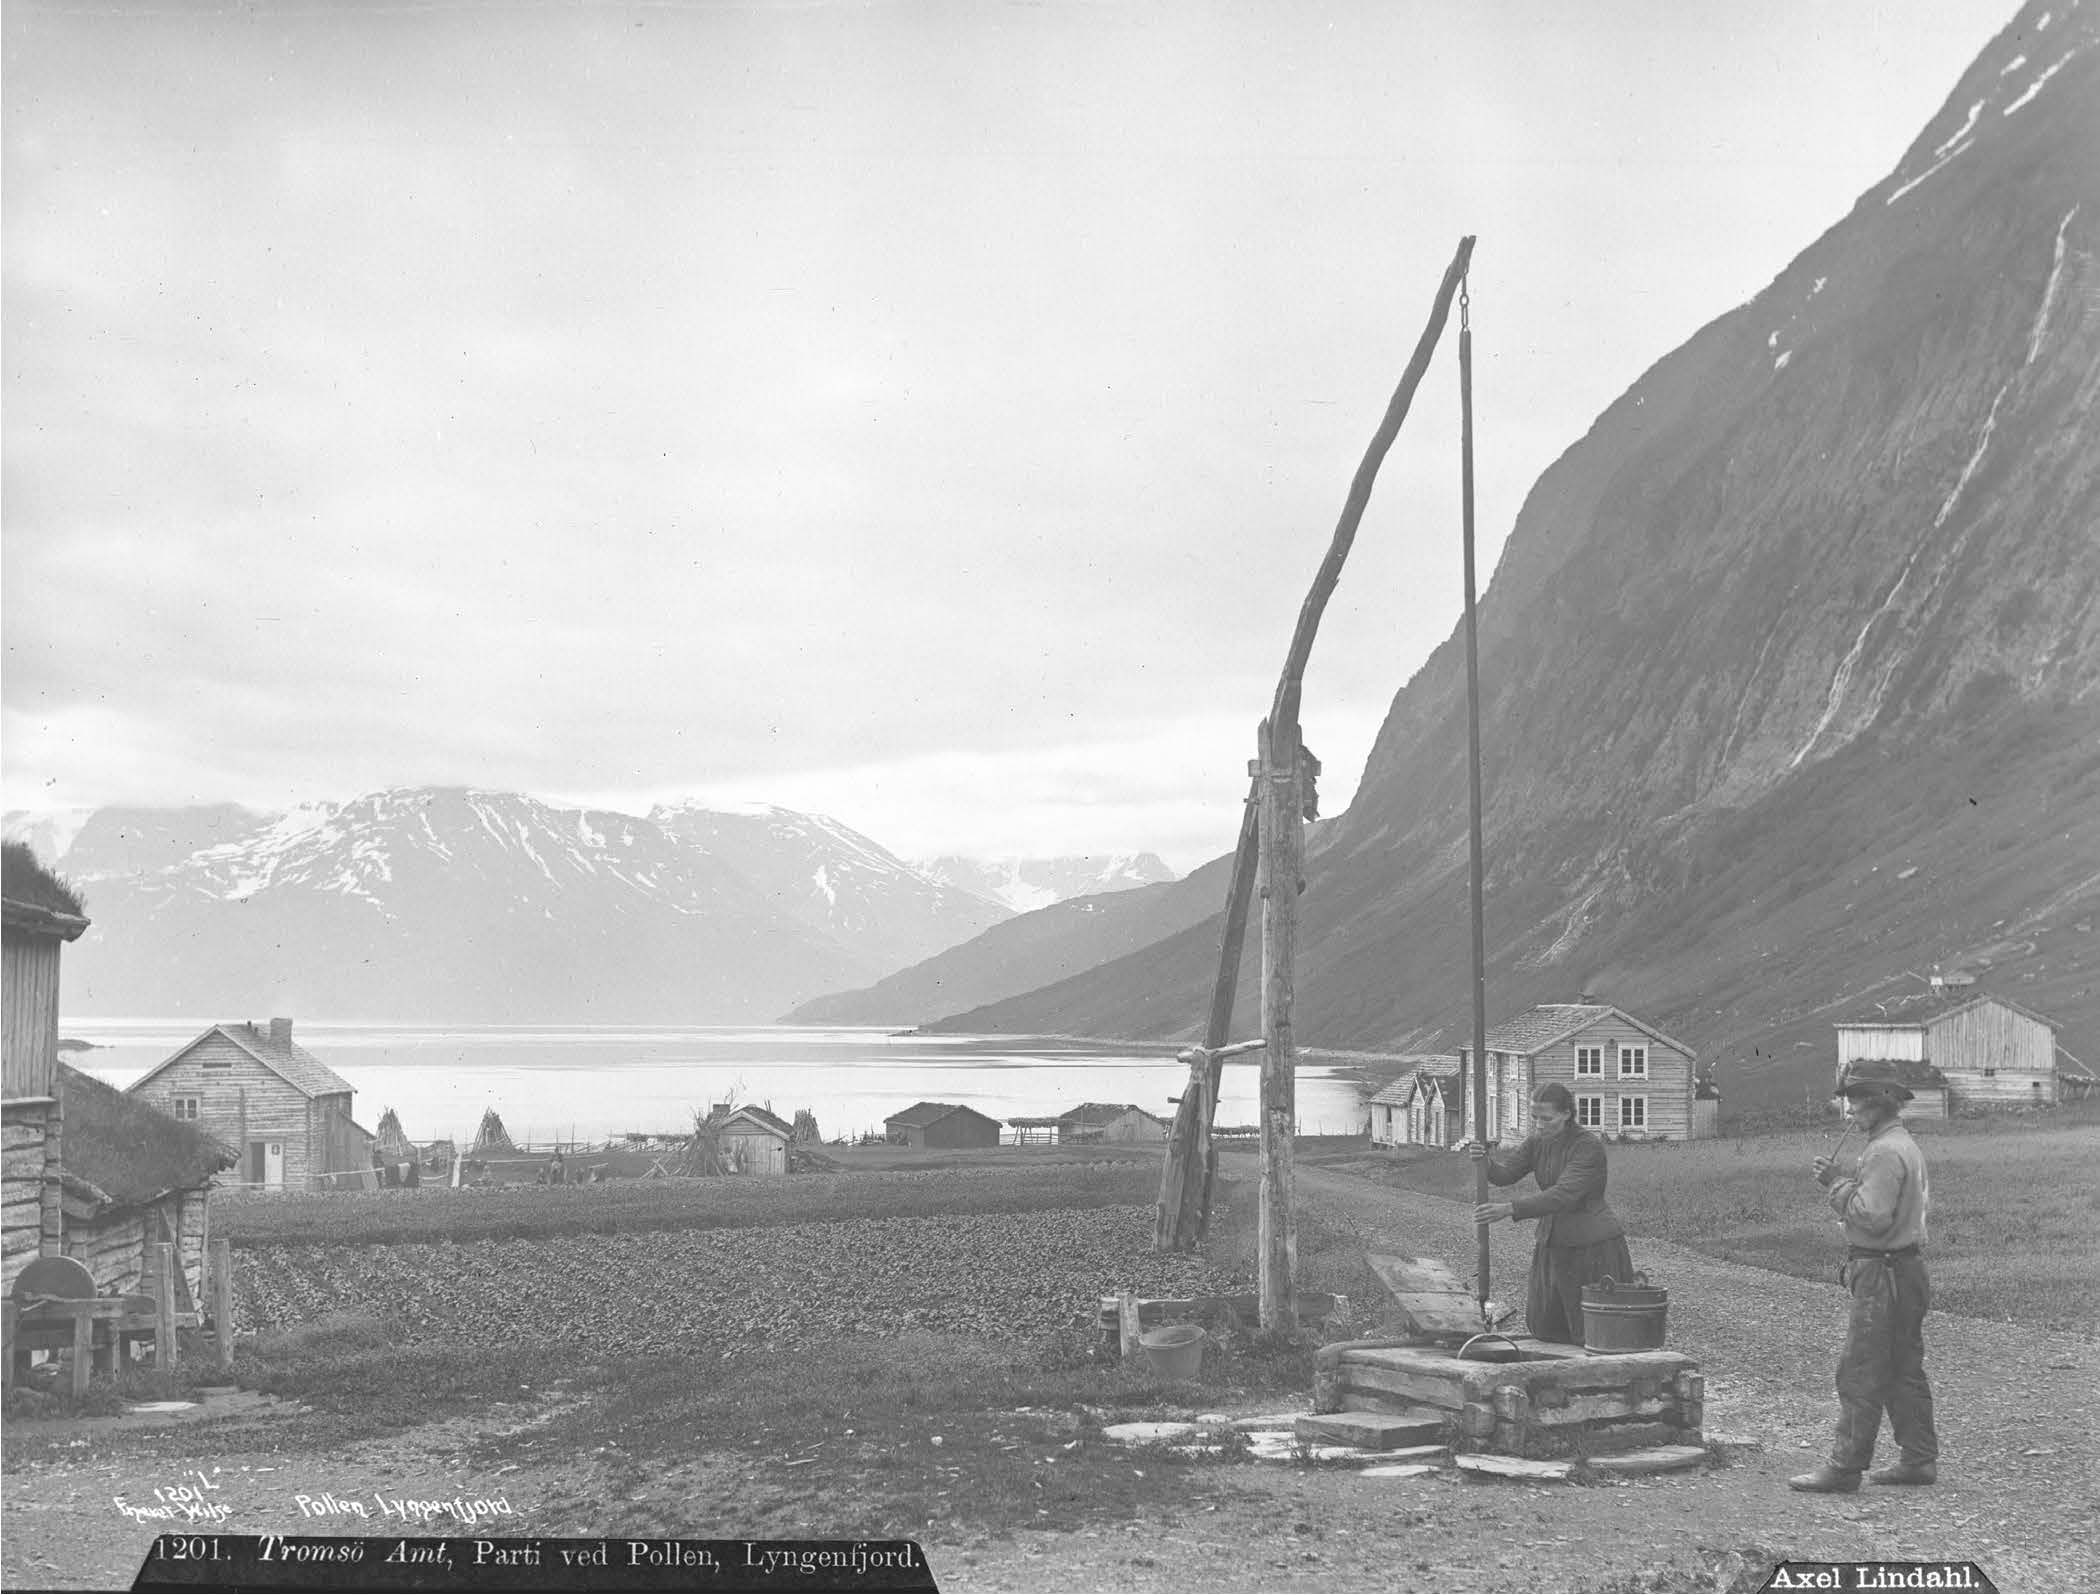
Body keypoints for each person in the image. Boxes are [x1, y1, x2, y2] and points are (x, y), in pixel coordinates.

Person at [1789, 1060, 1939, 1493]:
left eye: (1855, 1103)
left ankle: (1844, 1468)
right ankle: (1918, 1459)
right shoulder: (1901, 1144)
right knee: (1903, 1367)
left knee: (1860, 1370)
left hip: (1882, 1274)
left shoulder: (1883, 1152)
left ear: (1878, 1104)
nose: (1849, 1111)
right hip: (1907, 1269)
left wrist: (1835, 1184)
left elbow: (1872, 1218)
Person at [1470, 1081, 1633, 1343]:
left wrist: (1510, 1209)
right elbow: (1505, 1174)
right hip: (1553, 1243)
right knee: (1546, 1326)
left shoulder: (1586, 1147)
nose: (1539, 1125)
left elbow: (1564, 1195)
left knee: (1594, 1330)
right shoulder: (1537, 1142)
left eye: (1547, 1118)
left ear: (1567, 1114)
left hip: (1592, 1247)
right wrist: (1485, 1162)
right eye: (1535, 1118)